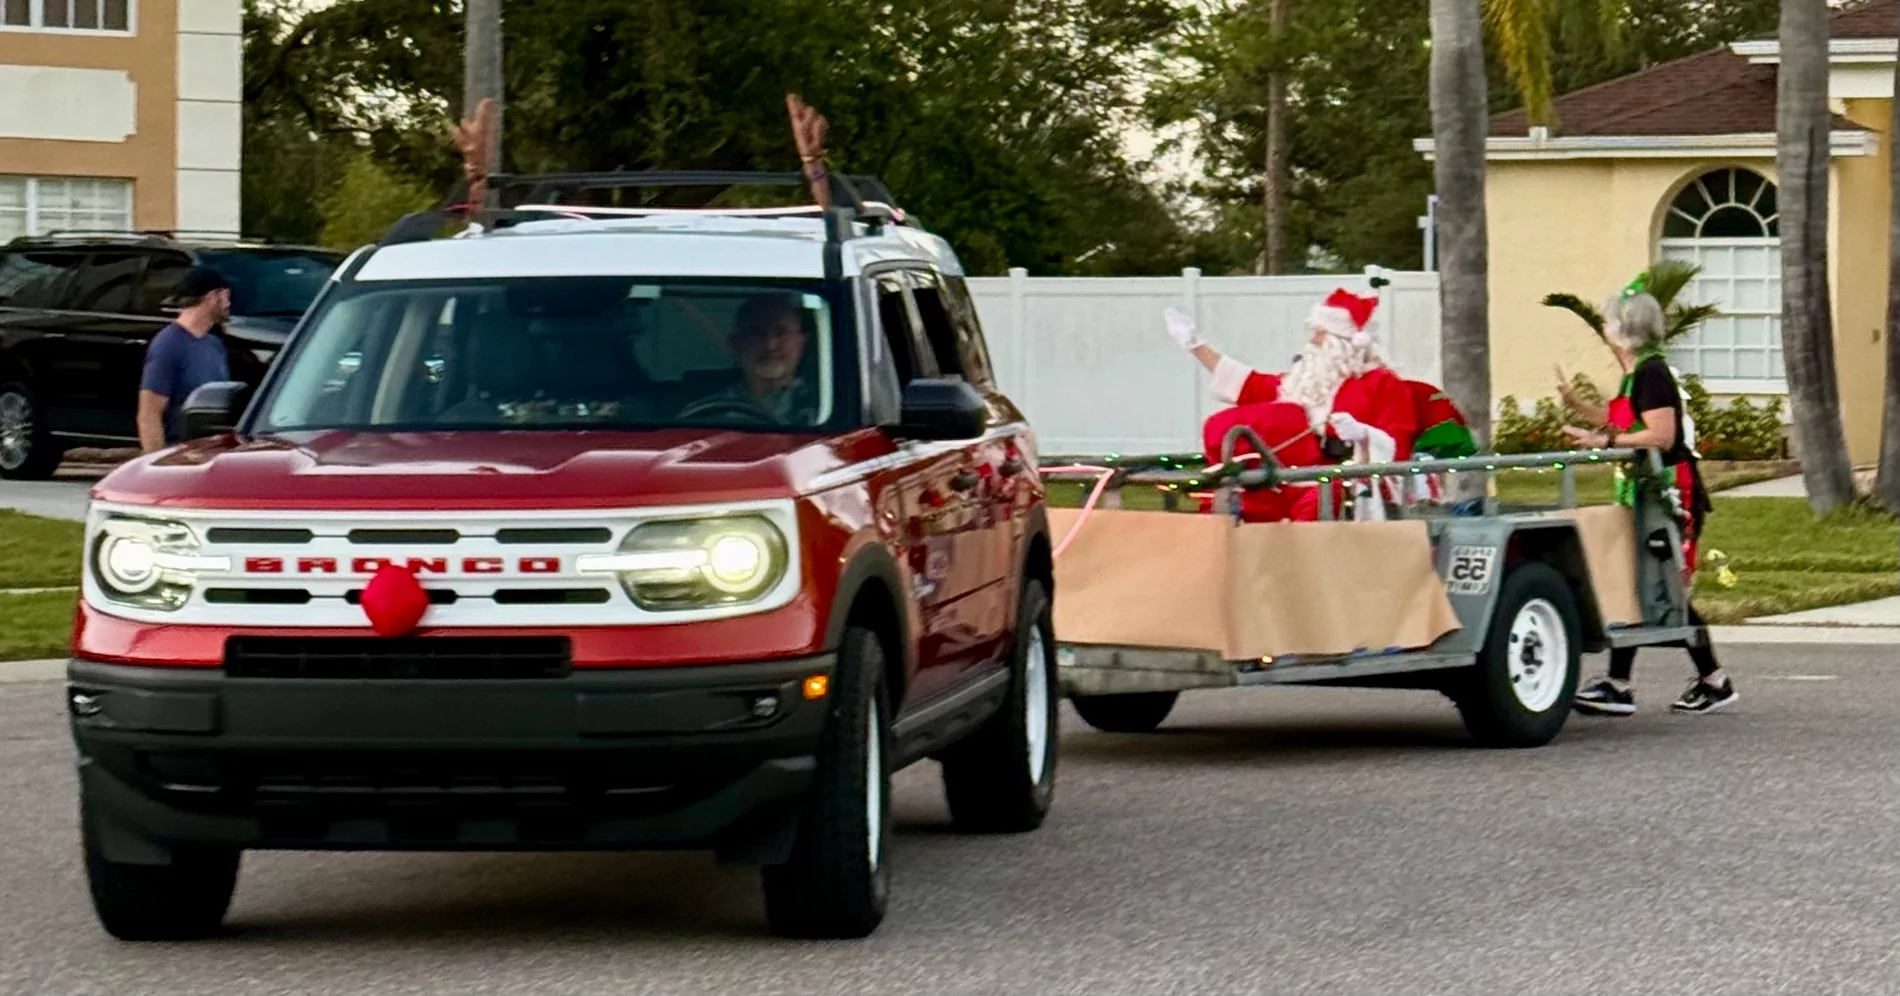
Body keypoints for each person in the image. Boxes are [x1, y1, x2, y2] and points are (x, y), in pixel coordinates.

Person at [1560, 279, 1737, 715]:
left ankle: (1713, 680)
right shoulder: (1638, 373)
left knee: (1665, 587)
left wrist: (1603, 442)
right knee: (1639, 580)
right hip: (1646, 492)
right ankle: (1621, 684)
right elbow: (1622, 421)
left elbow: (1659, 435)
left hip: (1671, 494)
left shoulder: (1652, 373)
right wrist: (1579, 406)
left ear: (1623, 328)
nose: (1601, 327)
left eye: (1606, 321)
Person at [1164, 289, 1419, 521]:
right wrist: (1196, 346)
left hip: (1344, 479)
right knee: (1240, 496)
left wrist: (1364, 435)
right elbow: (1249, 384)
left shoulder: (1382, 384)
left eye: (1319, 334)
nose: (1312, 342)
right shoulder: (1303, 382)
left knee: (1319, 499)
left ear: (1342, 341)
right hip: (1288, 477)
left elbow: (1398, 444)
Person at [680, 293, 819, 425]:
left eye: (781, 333)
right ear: (735, 345)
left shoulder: (825, 407)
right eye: (755, 333)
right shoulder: (703, 413)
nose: (770, 345)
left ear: (801, 343)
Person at [137, 265, 232, 452]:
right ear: (213, 296)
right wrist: (157, 467)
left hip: (209, 456)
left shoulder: (215, 345)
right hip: (180, 457)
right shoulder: (168, 345)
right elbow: (149, 415)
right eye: (226, 295)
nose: (229, 303)